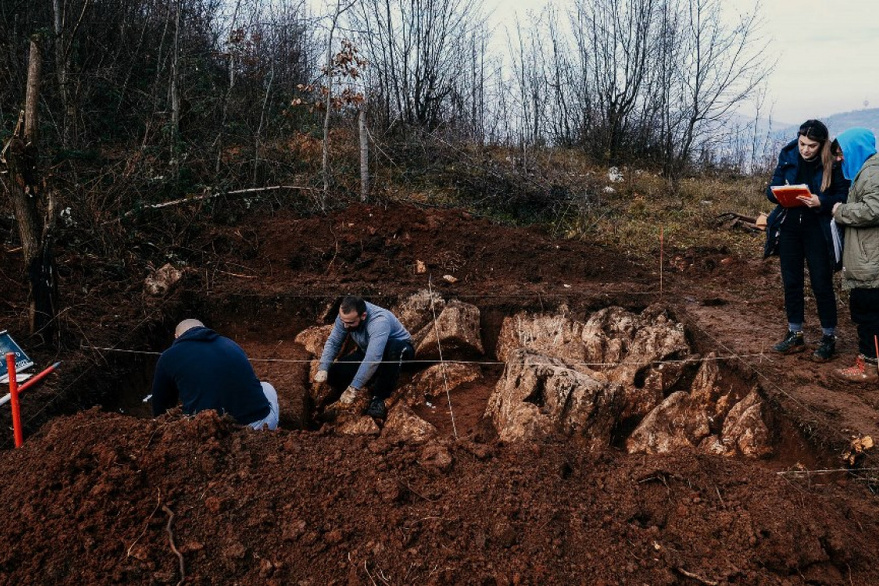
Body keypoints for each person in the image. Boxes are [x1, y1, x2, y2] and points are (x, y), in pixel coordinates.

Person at [765, 119, 849, 361]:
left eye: (811, 146)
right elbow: (771, 188)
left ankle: (828, 337)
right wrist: (780, 194)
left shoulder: (833, 160)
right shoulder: (789, 153)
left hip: (818, 227)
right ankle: (795, 334)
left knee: (821, 282)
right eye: (803, 144)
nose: (805, 149)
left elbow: (843, 193)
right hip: (790, 225)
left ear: (821, 144)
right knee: (791, 281)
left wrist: (821, 201)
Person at [151, 319, 279, 429]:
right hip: (259, 425)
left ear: (176, 336)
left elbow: (160, 405)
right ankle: (269, 435)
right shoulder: (230, 343)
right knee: (267, 387)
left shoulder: (169, 356)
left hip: (210, 431)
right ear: (204, 329)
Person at [830, 128, 879, 383]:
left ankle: (868, 367)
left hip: (870, 260)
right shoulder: (868, 171)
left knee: (867, 313)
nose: (840, 159)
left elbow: (874, 209)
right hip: (869, 257)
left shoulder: (871, 173)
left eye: (841, 153)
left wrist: (841, 211)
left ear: (854, 149)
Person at [314, 295, 414, 419]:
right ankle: (369, 378)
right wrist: (323, 368)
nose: (345, 326)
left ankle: (379, 398)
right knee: (335, 374)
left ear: (363, 316)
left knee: (394, 350)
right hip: (367, 350)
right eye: (343, 321)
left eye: (350, 323)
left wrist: (354, 388)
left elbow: (373, 358)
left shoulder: (379, 321)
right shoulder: (346, 317)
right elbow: (334, 342)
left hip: (399, 351)